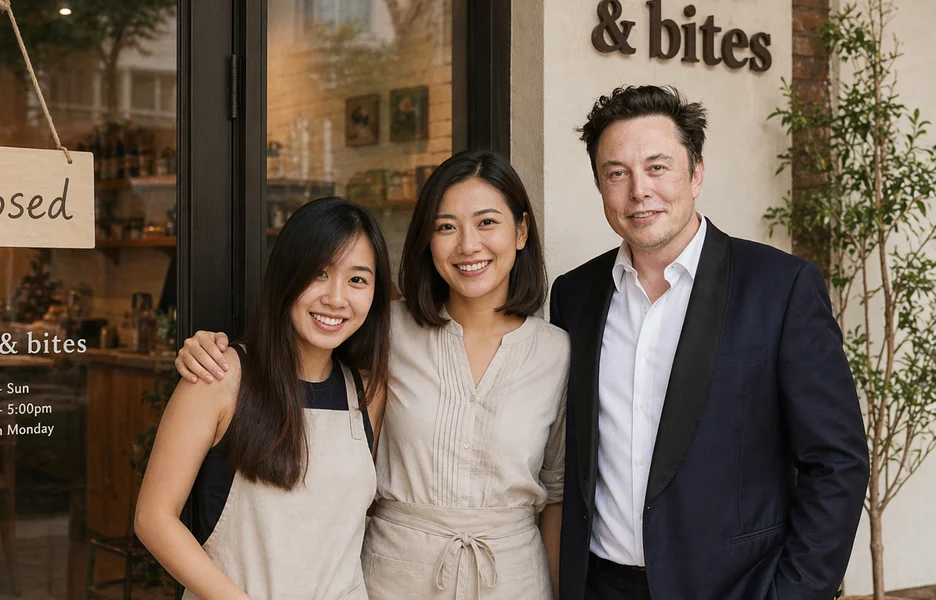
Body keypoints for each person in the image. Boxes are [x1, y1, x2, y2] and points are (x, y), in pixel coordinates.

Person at [177, 150, 569, 600]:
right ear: (426, 239)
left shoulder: (557, 351)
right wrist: (205, 351)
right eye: (446, 226)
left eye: (487, 222)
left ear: (520, 231)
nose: (467, 245)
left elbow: (555, 495)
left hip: (513, 578)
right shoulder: (385, 328)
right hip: (395, 575)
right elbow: (299, 352)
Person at [549, 85, 869, 600]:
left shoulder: (780, 287)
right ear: (599, 185)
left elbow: (836, 461)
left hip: (738, 587)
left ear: (696, 173)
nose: (639, 190)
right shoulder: (574, 294)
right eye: (617, 173)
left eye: (658, 167)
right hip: (602, 585)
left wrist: (795, 592)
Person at [134, 197, 393, 600]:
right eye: (320, 273)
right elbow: (154, 518)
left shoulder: (367, 392)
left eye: (358, 280)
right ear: (287, 275)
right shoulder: (219, 376)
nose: (337, 298)